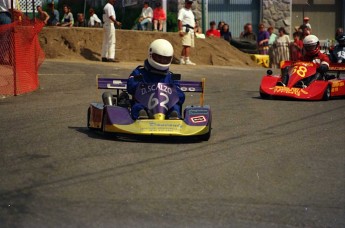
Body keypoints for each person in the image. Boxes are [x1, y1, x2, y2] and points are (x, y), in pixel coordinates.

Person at [127, 39, 185, 120]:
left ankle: (174, 117)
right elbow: (130, 86)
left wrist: (175, 93)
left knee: (174, 107)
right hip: (145, 103)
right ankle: (141, 116)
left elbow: (180, 95)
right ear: (150, 55)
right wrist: (140, 87)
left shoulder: (171, 76)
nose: (162, 60)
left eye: (165, 59)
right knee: (138, 106)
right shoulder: (140, 72)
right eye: (159, 58)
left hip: (166, 107)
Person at [178, 0, 196, 65]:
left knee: (187, 45)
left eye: (190, 3)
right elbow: (179, 20)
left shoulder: (190, 11)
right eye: (188, 3)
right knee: (187, 45)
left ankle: (182, 59)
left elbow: (192, 21)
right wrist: (180, 30)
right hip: (186, 29)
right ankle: (187, 59)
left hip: (191, 30)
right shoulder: (182, 10)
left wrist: (195, 28)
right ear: (185, 3)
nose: (190, 4)